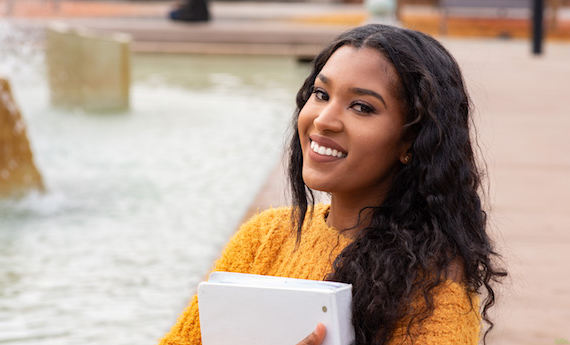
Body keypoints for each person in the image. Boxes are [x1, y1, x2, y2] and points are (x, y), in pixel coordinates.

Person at [157, 24, 506, 345]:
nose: (323, 120)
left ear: (411, 141)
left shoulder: (433, 282)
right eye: (321, 94)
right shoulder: (264, 237)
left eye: (361, 107)